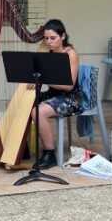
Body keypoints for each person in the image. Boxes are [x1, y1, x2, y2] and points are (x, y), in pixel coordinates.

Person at [31, 19, 82, 169]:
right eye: (46, 38)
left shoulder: (70, 54)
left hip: (71, 98)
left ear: (63, 36)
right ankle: (24, 146)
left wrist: (42, 79)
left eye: (53, 38)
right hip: (54, 95)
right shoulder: (48, 52)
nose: (49, 41)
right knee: (26, 103)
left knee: (38, 112)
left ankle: (49, 153)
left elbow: (68, 85)